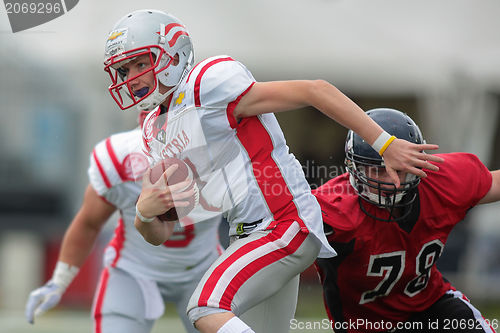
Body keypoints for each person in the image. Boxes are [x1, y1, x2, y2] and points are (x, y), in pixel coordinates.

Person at [102, 10, 443, 333]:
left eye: (140, 64)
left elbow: (315, 90)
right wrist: (144, 214)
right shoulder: (154, 127)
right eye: (124, 69)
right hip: (249, 236)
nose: (130, 78)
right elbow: (163, 232)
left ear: (171, 56)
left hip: (281, 224)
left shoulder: (205, 84)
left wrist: (384, 144)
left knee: (205, 309)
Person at [25, 110, 224, 333]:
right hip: (134, 269)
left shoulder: (222, 151)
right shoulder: (120, 158)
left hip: (204, 269)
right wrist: (59, 281)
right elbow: (89, 222)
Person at [313, 108, 500, 333]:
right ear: (355, 167)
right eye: (376, 170)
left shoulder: (442, 182)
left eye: (399, 169)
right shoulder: (331, 210)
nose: (390, 181)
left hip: (432, 307)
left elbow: (494, 183)